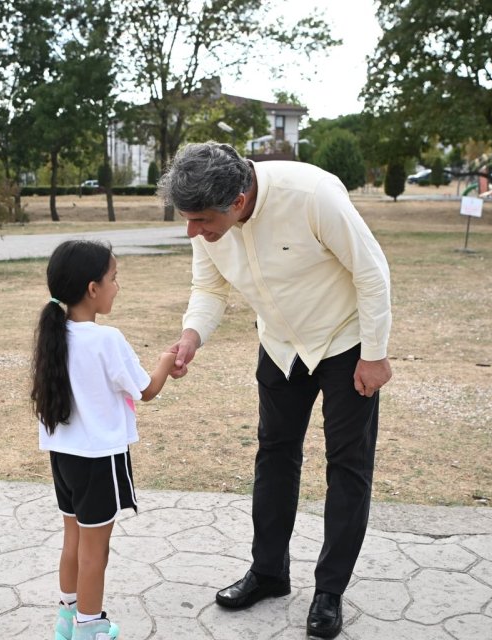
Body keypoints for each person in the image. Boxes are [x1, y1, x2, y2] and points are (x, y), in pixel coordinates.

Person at [159, 142, 392, 638]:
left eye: (199, 220)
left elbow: (371, 271)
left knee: (347, 465)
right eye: (187, 219)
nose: (192, 231)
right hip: (280, 344)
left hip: (345, 341)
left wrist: (374, 353)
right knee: (274, 455)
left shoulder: (311, 194)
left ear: (238, 202)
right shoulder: (208, 219)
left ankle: (329, 592)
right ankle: (268, 572)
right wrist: (191, 335)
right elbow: (209, 288)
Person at [31, 239, 176, 640]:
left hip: (63, 457)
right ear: (92, 289)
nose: (118, 286)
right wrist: (166, 362)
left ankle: (68, 617)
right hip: (99, 460)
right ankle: (90, 628)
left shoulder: (52, 336)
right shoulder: (107, 340)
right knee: (96, 552)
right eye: (114, 278)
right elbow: (145, 390)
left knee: (73, 541)